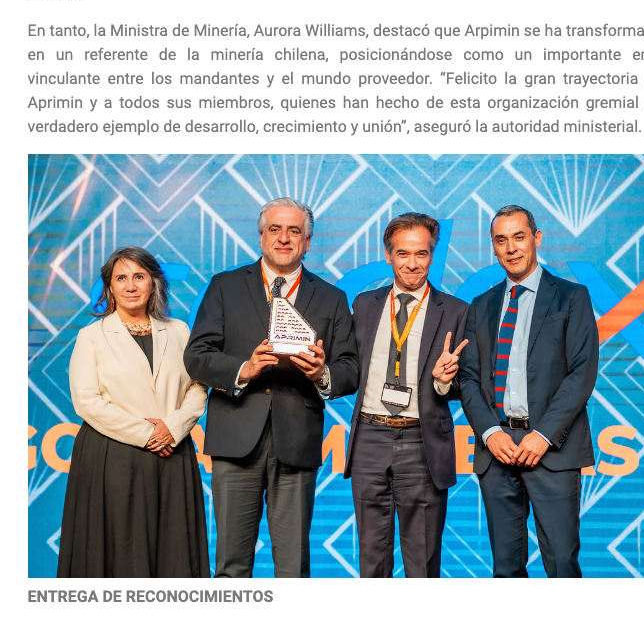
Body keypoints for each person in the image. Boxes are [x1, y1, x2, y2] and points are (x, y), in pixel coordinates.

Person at [183, 199, 358, 577]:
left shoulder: (332, 297)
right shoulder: (225, 286)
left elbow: (350, 368)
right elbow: (197, 355)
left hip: (297, 440)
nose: (284, 238)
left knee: (293, 567)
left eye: (294, 231)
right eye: (275, 229)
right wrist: (242, 369)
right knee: (231, 565)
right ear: (261, 236)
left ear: (307, 242)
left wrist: (322, 373)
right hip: (234, 437)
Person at [458, 204, 599, 580]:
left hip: (552, 450)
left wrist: (544, 435)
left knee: (562, 565)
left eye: (519, 237)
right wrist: (490, 433)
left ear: (537, 238)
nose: (511, 248)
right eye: (501, 240)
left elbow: (582, 372)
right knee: (505, 569)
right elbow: (468, 378)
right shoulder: (481, 305)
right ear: (493, 246)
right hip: (497, 450)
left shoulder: (571, 296)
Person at [57, 248, 209, 578]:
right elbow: (86, 400)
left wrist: (172, 427)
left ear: (153, 283)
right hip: (112, 456)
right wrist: (149, 433)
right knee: (118, 553)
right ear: (109, 288)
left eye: (139, 276)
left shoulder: (179, 331)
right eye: (121, 278)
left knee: (175, 552)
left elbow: (198, 387)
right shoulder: (91, 336)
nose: (130, 286)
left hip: (173, 452)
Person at [344, 213, 468, 579]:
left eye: (421, 253)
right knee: (371, 557)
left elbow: (467, 383)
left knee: (422, 561)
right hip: (369, 438)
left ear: (432, 256)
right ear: (388, 255)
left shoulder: (456, 311)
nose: (412, 263)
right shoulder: (364, 304)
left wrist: (444, 381)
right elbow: (349, 368)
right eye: (403, 253)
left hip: (422, 441)